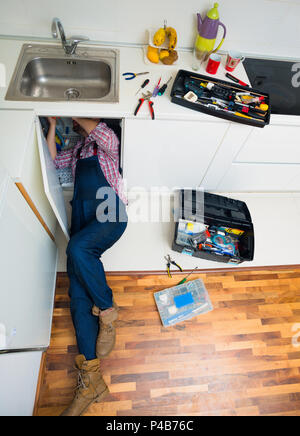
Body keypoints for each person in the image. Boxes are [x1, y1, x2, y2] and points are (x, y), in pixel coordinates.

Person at [46, 117, 127, 416]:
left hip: (110, 213)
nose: (78, 127)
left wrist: (69, 108)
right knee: (77, 297)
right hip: (82, 222)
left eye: (81, 124)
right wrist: (53, 124)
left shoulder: (107, 144)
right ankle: (91, 380)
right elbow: (52, 162)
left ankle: (107, 311)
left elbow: (98, 131)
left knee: (77, 249)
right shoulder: (78, 151)